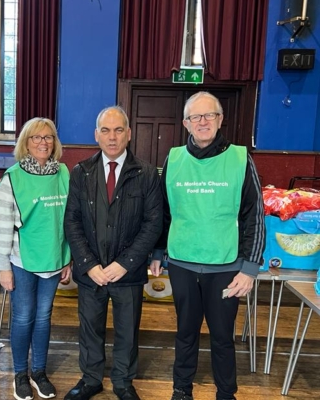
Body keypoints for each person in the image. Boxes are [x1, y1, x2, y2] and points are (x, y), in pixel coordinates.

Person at [150, 91, 265, 400]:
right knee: (185, 334)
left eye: (209, 115)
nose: (203, 122)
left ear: (220, 119)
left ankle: (226, 393)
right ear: (186, 123)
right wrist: (158, 252)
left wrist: (250, 268)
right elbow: (164, 211)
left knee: (222, 337)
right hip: (183, 265)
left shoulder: (241, 158)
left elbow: (255, 215)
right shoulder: (173, 159)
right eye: (195, 117)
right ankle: (181, 390)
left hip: (226, 270)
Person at [63, 106, 163, 400]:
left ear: (129, 134)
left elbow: (153, 222)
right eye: (105, 130)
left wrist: (125, 263)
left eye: (118, 130)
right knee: (90, 329)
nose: (112, 137)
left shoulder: (146, 173)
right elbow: (72, 220)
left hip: (127, 273)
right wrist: (88, 263)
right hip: (91, 272)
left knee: (127, 331)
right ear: (96, 135)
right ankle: (91, 379)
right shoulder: (81, 172)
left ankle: (123, 382)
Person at [0, 117, 71, 400]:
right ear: (25, 142)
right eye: (36, 137)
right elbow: (0, 224)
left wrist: (68, 259)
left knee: (44, 318)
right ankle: (20, 374)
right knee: (24, 317)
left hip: (54, 259)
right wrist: (3, 267)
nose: (43, 142)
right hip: (21, 260)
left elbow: (69, 220)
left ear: (55, 142)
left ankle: (39, 372)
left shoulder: (63, 173)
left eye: (48, 137)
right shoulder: (13, 177)